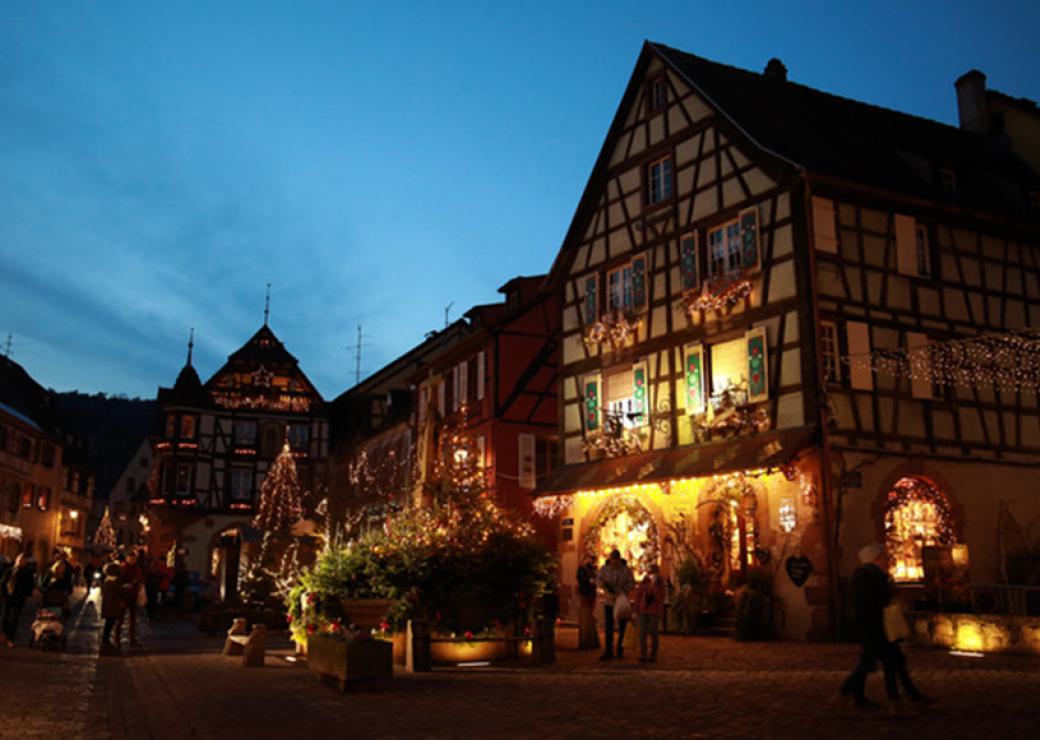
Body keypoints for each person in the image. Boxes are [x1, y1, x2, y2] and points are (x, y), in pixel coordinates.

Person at [840, 543, 932, 710]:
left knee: (882, 662)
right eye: (884, 557)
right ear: (876, 559)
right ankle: (896, 699)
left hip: (877, 626)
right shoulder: (868, 577)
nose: (887, 561)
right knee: (885, 662)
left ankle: (898, 698)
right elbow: (868, 602)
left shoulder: (875, 576)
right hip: (875, 627)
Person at [596, 549, 634, 660]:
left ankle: (620, 649)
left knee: (623, 627)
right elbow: (598, 580)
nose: (614, 562)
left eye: (616, 560)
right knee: (609, 627)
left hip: (621, 601)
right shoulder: (605, 569)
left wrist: (623, 590)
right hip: (609, 601)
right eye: (613, 559)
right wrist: (606, 589)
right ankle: (608, 651)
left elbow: (631, 582)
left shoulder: (625, 570)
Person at [1, 554, 37, 647]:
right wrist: (3, 593)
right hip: (7, 597)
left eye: (23, 561)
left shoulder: (27, 573)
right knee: (5, 618)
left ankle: (10, 638)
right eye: (20, 560)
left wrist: (26, 594)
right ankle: (4, 635)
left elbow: (30, 586)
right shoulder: (9, 570)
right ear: (17, 560)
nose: (21, 562)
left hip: (18, 599)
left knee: (14, 619)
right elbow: (3, 582)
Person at [636, 563, 666, 663]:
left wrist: (655, 586)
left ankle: (653, 653)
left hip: (654, 610)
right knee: (642, 632)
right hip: (643, 609)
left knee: (653, 631)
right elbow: (639, 595)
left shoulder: (660, 583)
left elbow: (660, 597)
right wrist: (636, 607)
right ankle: (643, 653)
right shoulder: (644, 582)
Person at [121, 550, 144, 646]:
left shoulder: (136, 568)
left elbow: (140, 577)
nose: (133, 560)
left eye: (134, 558)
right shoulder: (122, 567)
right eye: (131, 558)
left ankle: (132, 639)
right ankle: (117, 639)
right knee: (120, 617)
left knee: (133, 619)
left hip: (133, 594)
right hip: (124, 595)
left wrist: (137, 582)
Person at [100, 562, 125, 650]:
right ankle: (105, 639)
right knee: (110, 622)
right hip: (113, 604)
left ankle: (106, 639)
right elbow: (119, 591)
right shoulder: (115, 581)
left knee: (109, 622)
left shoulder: (107, 580)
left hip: (108, 604)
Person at [576, 559, 600, 650]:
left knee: (590, 615)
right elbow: (581, 579)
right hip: (586, 594)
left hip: (590, 594)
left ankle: (590, 638)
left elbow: (596, 579)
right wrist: (589, 581)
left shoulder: (592, 569)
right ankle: (586, 639)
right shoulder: (582, 569)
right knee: (586, 615)